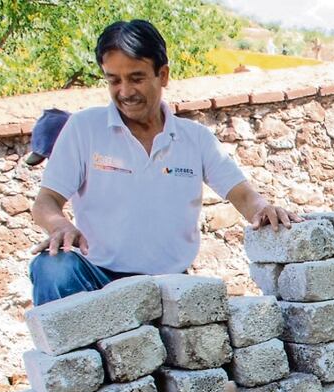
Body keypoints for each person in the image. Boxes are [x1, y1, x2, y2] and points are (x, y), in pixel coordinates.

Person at [29, 19, 298, 306]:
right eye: (114, 80)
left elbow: (242, 195)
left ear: (163, 75)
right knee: (52, 267)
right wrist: (59, 225)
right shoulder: (84, 128)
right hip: (96, 280)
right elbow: (46, 200)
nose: (125, 91)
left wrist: (263, 209)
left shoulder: (195, 139)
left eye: (136, 78)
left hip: (169, 289)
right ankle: (70, 353)